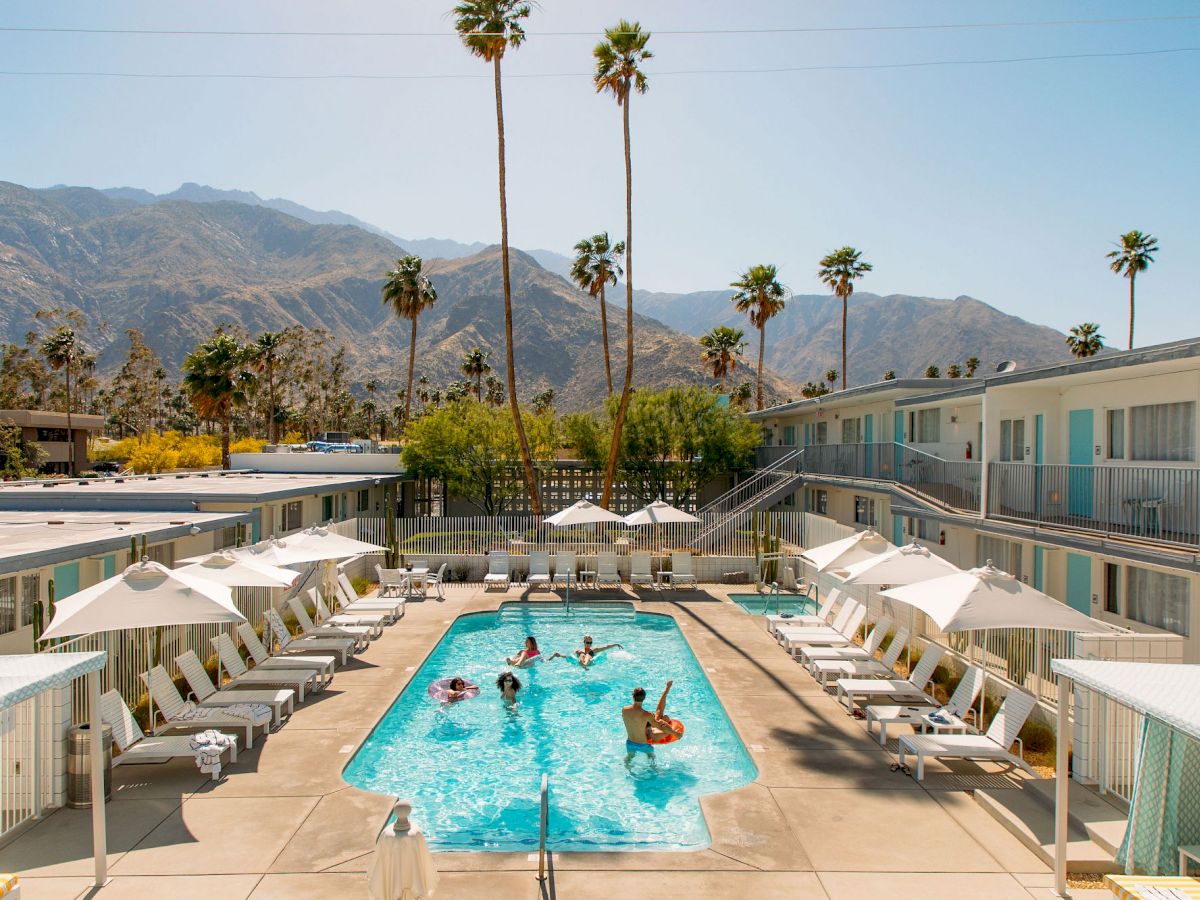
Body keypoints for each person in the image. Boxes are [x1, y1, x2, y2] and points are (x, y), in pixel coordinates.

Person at [622, 681, 681, 755]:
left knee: (629, 760)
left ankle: (667, 689)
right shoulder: (647, 715)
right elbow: (660, 726)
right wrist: (676, 733)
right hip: (644, 745)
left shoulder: (624, 710)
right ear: (644, 698)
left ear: (633, 697)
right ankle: (667, 690)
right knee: (652, 761)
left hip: (630, 744)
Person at [548, 635, 623, 669]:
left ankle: (584, 665)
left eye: (590, 643)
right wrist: (560, 655)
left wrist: (615, 644)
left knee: (588, 654)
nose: (589, 644)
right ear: (584, 642)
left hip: (590, 662)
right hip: (581, 660)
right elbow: (569, 656)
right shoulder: (579, 650)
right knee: (581, 653)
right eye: (587, 643)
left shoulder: (593, 650)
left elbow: (605, 647)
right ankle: (583, 664)